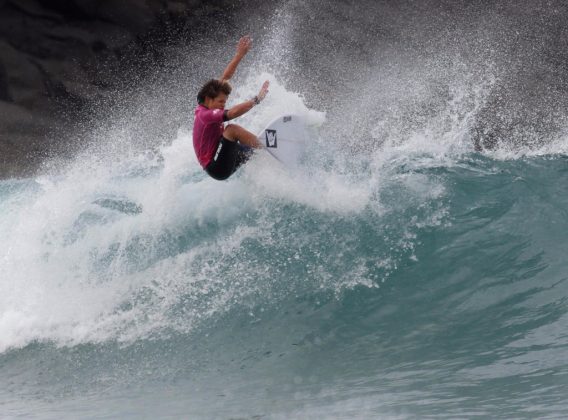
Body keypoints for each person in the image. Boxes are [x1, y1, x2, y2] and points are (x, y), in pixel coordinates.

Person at [193, 36, 270, 180]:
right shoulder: (206, 115)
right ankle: (269, 146)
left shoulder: (205, 98)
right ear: (209, 99)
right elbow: (233, 113)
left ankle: (270, 159)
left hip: (221, 154)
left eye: (225, 101)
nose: (223, 105)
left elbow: (225, 78)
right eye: (221, 102)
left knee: (254, 152)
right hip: (215, 167)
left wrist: (240, 55)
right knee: (232, 129)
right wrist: (257, 99)